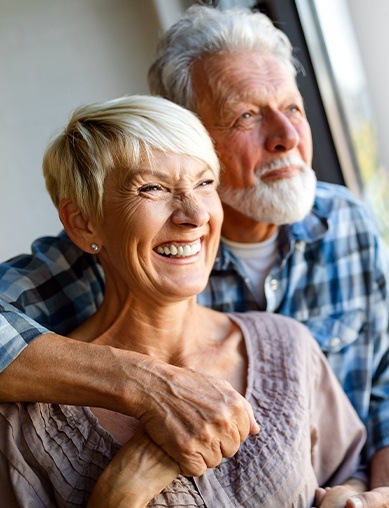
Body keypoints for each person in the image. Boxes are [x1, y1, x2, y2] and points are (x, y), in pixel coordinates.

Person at [0, 4, 388, 506]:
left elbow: (382, 389)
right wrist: (147, 386)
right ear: (187, 130)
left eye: (292, 108)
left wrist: (370, 492)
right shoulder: (88, 262)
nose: (287, 137)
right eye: (246, 115)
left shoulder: (349, 225)